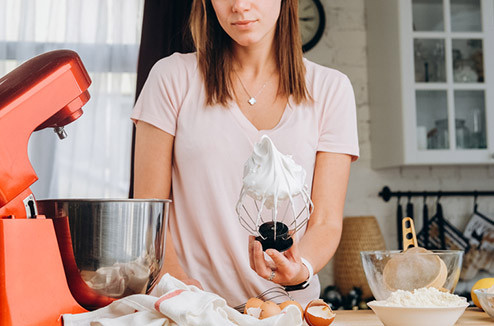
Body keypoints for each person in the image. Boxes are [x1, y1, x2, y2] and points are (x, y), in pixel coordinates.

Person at [131, 0, 359, 309]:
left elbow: (326, 223)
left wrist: (299, 266)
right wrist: (176, 282)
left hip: (285, 313)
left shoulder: (331, 90)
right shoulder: (171, 77)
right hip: (192, 310)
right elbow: (150, 212)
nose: (239, 6)